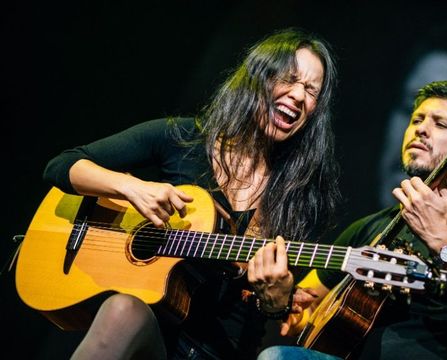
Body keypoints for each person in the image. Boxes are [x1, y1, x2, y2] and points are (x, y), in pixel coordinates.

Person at [42, 27, 341, 359]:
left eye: (311, 90)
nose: (298, 95)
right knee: (122, 310)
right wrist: (134, 188)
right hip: (145, 335)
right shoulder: (181, 137)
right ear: (257, 78)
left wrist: (275, 302)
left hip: (216, 351)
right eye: (289, 78)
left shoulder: (301, 195)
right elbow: (63, 166)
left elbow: (274, 311)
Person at [248, 80, 447, 359]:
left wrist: (442, 241)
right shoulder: (372, 227)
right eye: (416, 119)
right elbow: (301, 311)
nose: (420, 129)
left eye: (440, 124)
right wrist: (280, 302)